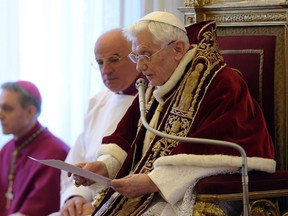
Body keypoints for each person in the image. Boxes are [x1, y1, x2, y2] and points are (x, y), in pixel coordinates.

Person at [71, 11, 276, 216]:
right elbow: (128, 139)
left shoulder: (220, 83)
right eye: (136, 56)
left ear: (177, 49)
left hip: (188, 195)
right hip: (151, 194)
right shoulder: (155, 84)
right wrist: (105, 167)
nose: (140, 66)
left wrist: (155, 181)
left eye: (146, 55)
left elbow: (223, 153)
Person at [57, 28, 145, 216]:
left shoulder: (152, 102)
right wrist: (75, 197)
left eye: (114, 59)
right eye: (99, 62)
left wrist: (99, 207)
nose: (106, 70)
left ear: (135, 57)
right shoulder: (97, 102)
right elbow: (76, 160)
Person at [0, 80, 70, 216]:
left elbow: (37, 211)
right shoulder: (7, 149)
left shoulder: (54, 153)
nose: (0, 115)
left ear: (30, 112)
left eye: (7, 109)